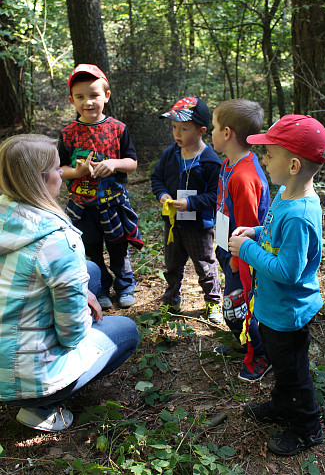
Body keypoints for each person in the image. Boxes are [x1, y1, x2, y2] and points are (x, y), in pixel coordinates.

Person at [0, 134, 139, 432]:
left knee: (90, 270)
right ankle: (41, 407)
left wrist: (80, 289)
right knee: (126, 330)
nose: (62, 172)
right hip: (23, 379)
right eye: (56, 168)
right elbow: (71, 335)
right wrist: (81, 307)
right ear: (42, 179)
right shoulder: (58, 240)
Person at [228, 114, 325, 456]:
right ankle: (281, 404)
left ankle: (307, 427)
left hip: (289, 312)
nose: (263, 159)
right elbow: (275, 237)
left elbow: (288, 270)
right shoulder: (286, 193)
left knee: (294, 373)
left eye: (269, 154)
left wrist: (248, 250)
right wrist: (255, 233)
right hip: (273, 309)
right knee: (281, 365)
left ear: (293, 164)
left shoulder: (300, 213)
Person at [58, 64, 143, 310]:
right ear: (71, 100)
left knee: (118, 246)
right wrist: (78, 172)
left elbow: (132, 162)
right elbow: (59, 169)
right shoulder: (68, 134)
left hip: (113, 202)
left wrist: (114, 163)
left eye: (94, 95)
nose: (88, 102)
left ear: (106, 96)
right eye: (80, 96)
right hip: (83, 206)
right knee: (91, 248)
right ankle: (101, 288)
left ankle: (125, 285)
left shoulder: (118, 129)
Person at [212, 99, 270, 381]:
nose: (210, 133)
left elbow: (249, 225)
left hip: (242, 256)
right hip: (227, 249)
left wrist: (238, 259)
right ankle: (247, 341)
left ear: (226, 133)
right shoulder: (229, 164)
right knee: (235, 307)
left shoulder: (244, 176)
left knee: (239, 308)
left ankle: (260, 355)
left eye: (212, 127)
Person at [151, 96, 223, 323]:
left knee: (204, 264)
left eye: (184, 128)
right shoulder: (170, 155)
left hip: (199, 226)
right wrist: (162, 194)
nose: (177, 134)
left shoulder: (210, 161)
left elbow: (216, 196)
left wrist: (191, 203)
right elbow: (157, 179)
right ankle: (172, 301)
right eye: (174, 127)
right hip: (173, 223)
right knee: (172, 264)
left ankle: (213, 302)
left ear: (201, 130)